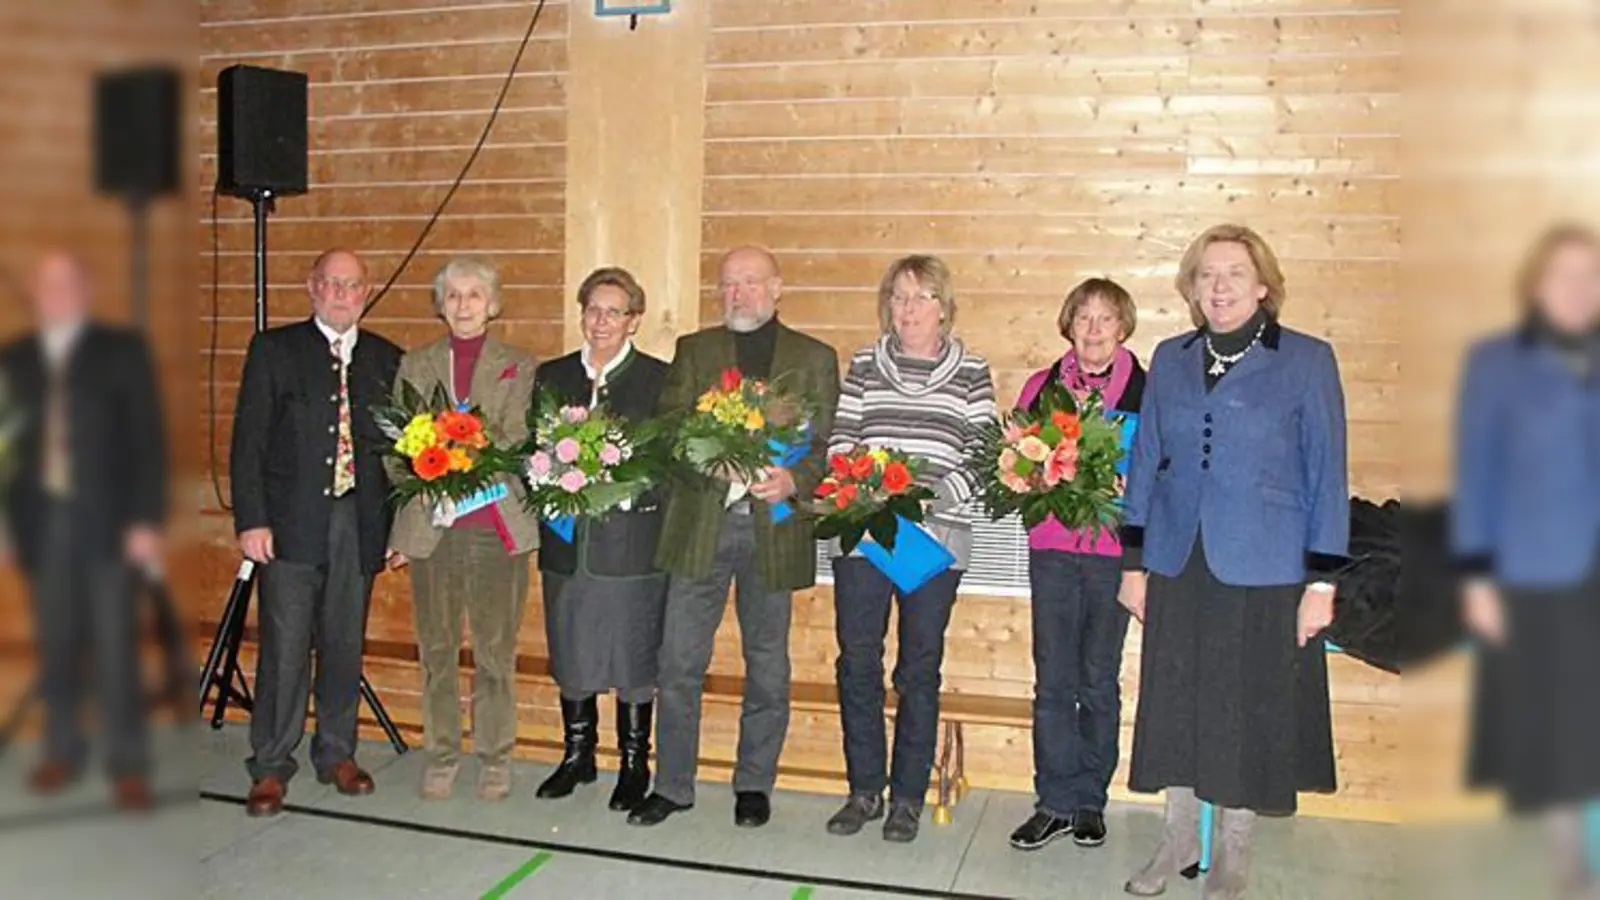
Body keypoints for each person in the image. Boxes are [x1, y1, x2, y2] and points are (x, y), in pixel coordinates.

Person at [1118, 224, 1346, 899]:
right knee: (1176, 703)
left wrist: (1322, 582)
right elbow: (1145, 462)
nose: (1219, 287)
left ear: (1263, 285)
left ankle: (1234, 851)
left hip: (1265, 564)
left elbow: (1327, 473)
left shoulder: (1306, 360)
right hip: (1178, 558)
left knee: (1246, 707)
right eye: (1206, 275)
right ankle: (1179, 838)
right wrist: (1133, 563)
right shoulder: (1171, 357)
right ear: (1191, 287)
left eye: (1234, 274)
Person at [628, 246, 840, 829]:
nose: (737, 294)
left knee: (767, 664)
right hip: (702, 524)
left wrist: (794, 480)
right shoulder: (695, 350)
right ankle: (672, 785)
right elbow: (669, 429)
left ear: (777, 288)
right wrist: (708, 459)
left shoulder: (814, 357)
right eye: (727, 284)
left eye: (749, 282)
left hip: (774, 525)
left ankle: (754, 783)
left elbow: (826, 444)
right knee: (678, 662)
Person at [820, 255, 994, 843]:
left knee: (918, 669)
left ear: (943, 307)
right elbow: (842, 441)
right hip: (866, 532)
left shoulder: (972, 370)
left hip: (933, 539)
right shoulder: (865, 364)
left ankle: (908, 798)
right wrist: (863, 489)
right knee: (857, 662)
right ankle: (864, 790)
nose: (907, 309)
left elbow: (983, 456)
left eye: (920, 297)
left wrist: (927, 500)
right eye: (898, 297)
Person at [229, 248, 403, 817]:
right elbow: (248, 442)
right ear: (312, 287)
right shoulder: (274, 350)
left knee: (343, 643)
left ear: (366, 293)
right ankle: (271, 764)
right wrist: (252, 520)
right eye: (330, 283)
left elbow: (401, 455)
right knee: (284, 648)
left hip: (358, 522)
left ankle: (336, 753)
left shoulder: (386, 359)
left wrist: (398, 527)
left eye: (351, 285)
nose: (340, 294)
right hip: (289, 525)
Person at [1455, 224, 1600, 898]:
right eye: (1562, 274)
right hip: (1537, 569)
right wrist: (1477, 578)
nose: (1578, 287)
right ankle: (1571, 865)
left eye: (1590, 274)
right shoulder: (1496, 363)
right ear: (1536, 284)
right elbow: (1476, 474)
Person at [0, 250, 166, 810]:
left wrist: (145, 520)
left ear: (86, 288)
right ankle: (62, 750)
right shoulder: (13, 358)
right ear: (34, 292)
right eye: (48, 284)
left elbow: (147, 440)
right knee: (57, 644)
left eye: (68, 282)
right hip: (39, 524)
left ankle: (127, 763)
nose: (58, 293)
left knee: (116, 647)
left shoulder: (122, 351)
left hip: (110, 524)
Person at [385, 257, 539, 802]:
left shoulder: (518, 364)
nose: (464, 305)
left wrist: (463, 451)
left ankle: (495, 757)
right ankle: (443, 754)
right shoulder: (415, 363)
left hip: (497, 527)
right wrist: (429, 466)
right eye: (453, 296)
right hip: (434, 531)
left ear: (492, 304)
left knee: (495, 651)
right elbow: (397, 449)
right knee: (438, 650)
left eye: (475, 295)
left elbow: (518, 437)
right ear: (441, 305)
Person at [1007, 278, 1146, 852]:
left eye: (1105, 318)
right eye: (1083, 317)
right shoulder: (1041, 387)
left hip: (1113, 556)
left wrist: (1130, 486)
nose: (1093, 329)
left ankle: (1091, 800)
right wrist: (1033, 476)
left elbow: (1164, 470)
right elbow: (1014, 467)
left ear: (1123, 327)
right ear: (1068, 324)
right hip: (1054, 551)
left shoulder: (1145, 391)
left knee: (1098, 680)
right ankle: (1054, 802)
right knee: (1053, 681)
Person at [532, 267, 670, 813]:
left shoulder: (659, 379)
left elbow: (671, 461)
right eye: (593, 309)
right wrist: (545, 476)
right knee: (572, 649)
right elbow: (531, 450)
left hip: (632, 546)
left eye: (614, 312)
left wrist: (624, 488)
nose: (601, 321)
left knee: (634, 656)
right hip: (568, 544)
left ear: (634, 320)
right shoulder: (553, 375)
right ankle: (578, 755)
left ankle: (634, 763)